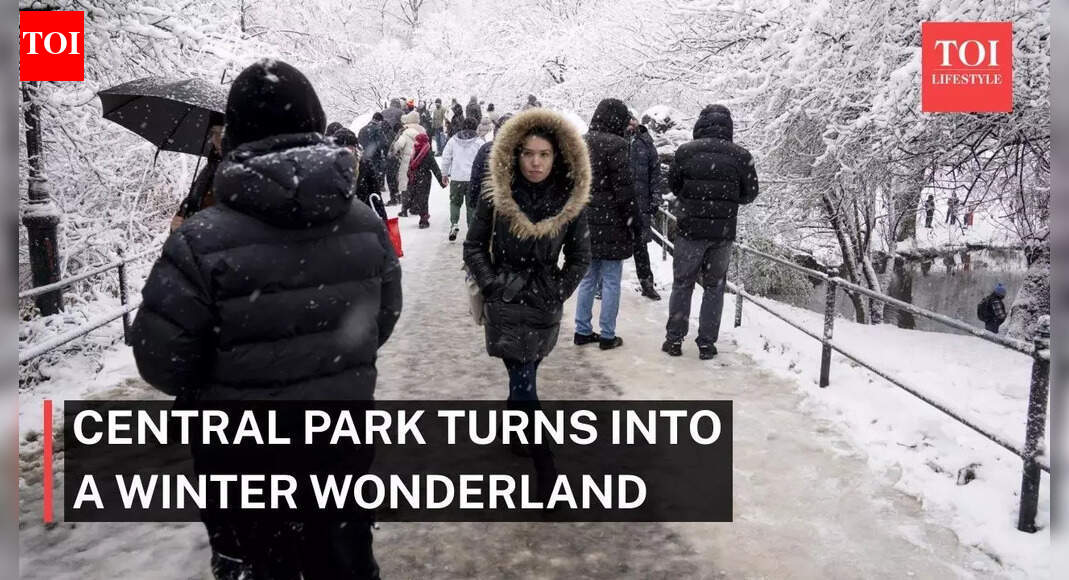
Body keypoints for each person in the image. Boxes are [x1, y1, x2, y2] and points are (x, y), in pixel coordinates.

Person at [130, 59, 400, 580]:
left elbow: (162, 361)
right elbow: (382, 321)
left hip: (242, 457)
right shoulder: (365, 226)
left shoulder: (200, 240)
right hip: (338, 442)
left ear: (234, 135)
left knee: (260, 563)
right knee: (343, 557)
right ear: (315, 123)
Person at [462, 108, 590, 498]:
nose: (535, 162)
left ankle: (518, 431)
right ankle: (546, 468)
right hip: (505, 300)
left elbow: (582, 257)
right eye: (528, 153)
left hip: (543, 304)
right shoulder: (498, 195)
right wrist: (493, 284)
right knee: (523, 379)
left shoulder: (570, 200)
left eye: (544, 154)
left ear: (557, 156)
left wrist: (557, 289)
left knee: (524, 378)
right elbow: (473, 245)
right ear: (515, 155)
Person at [663, 104, 759, 360]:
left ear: (700, 123)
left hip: (689, 230)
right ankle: (706, 343)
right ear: (728, 126)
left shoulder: (685, 152)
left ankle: (674, 339)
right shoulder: (741, 155)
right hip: (722, 233)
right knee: (714, 287)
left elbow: (674, 185)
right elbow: (750, 193)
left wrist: (693, 197)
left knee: (683, 284)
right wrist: (727, 199)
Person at [574, 98, 640, 350]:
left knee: (588, 278)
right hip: (613, 223)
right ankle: (607, 334)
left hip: (585, 221)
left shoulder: (581, 141)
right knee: (611, 280)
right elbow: (624, 190)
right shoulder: (618, 146)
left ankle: (581, 330)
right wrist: (634, 221)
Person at [629, 115, 665, 300]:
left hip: (641, 205)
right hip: (619, 204)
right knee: (609, 246)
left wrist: (655, 199)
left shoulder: (647, 145)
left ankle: (647, 284)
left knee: (640, 247)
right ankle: (601, 285)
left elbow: (655, 174)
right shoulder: (618, 142)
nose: (631, 124)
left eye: (633, 120)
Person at [171, 124, 223, 232]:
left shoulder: (245, 175)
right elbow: (192, 204)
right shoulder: (211, 167)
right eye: (214, 133)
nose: (214, 138)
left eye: (220, 133)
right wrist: (177, 225)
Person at [440, 117, 485, 240]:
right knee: (472, 205)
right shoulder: (479, 142)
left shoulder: (453, 140)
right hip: (473, 180)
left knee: (455, 203)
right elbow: (484, 160)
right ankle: (471, 229)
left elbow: (446, 157)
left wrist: (444, 174)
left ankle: (454, 224)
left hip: (457, 178)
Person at [466, 114, 513, 228]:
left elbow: (476, 176)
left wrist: (473, 197)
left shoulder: (486, 149)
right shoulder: (522, 151)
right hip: (512, 204)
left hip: (488, 199)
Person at [391, 110, 428, 217]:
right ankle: (415, 207)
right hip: (418, 161)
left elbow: (398, 145)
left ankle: (404, 209)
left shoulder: (405, 131)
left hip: (406, 161)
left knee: (405, 184)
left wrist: (395, 150)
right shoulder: (422, 130)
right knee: (416, 183)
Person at [407, 132, 446, 228]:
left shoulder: (427, 153)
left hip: (424, 178)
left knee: (423, 198)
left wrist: (442, 181)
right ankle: (419, 213)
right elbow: (410, 165)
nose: (415, 142)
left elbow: (435, 167)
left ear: (422, 141)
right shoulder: (415, 150)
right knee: (416, 197)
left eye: (417, 141)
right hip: (415, 177)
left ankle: (424, 219)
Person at [356, 116, 391, 220]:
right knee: (374, 176)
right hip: (375, 156)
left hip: (365, 156)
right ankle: (380, 185)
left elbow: (359, 142)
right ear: (379, 120)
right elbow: (383, 142)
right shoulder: (377, 129)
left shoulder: (363, 129)